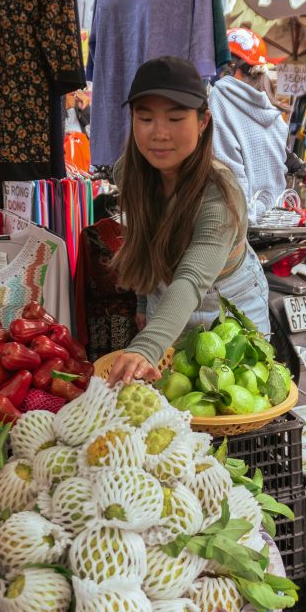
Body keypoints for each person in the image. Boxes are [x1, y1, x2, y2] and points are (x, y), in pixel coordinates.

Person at [106, 56, 271, 385]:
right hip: (169, 301)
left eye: (176, 118)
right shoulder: (129, 173)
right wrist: (143, 299)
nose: (159, 133)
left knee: (230, 404)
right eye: (146, 117)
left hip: (231, 306)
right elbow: (142, 237)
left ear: (202, 121)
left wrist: (147, 346)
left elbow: (193, 277)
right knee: (174, 409)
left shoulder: (220, 196)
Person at [210, 28, 306, 222]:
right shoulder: (272, 113)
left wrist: (244, 213)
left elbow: (227, 169)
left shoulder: (220, 97)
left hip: (236, 218)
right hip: (271, 214)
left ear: (231, 66)